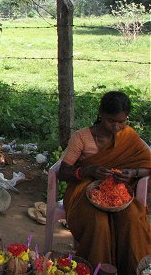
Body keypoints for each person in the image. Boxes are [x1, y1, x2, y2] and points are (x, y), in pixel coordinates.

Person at [59, 91, 151, 274]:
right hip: (85, 190)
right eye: (111, 121)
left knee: (132, 219)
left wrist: (132, 173)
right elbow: (63, 171)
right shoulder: (81, 137)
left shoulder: (129, 136)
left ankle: (134, 269)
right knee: (98, 222)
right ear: (101, 113)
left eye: (121, 122)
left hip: (118, 192)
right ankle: (97, 269)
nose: (116, 127)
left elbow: (148, 165)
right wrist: (87, 171)